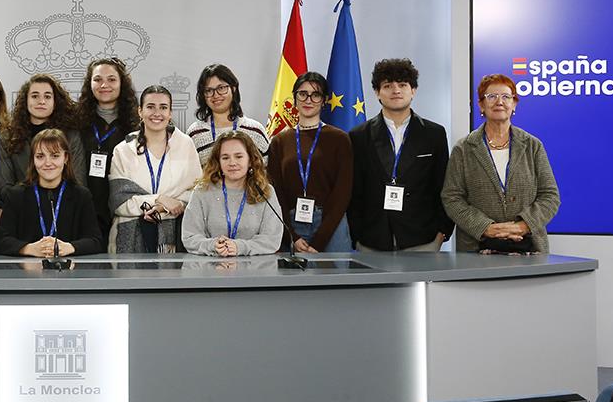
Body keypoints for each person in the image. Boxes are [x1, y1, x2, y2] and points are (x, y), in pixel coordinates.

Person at [442, 74, 560, 254]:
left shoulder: (532, 145)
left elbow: (550, 196)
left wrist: (523, 226)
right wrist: (486, 227)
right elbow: (452, 198)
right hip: (477, 249)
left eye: (506, 96)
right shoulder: (464, 148)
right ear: (481, 105)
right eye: (491, 96)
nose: (499, 102)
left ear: (514, 104)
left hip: (528, 247)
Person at [348, 58, 453, 252]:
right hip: (372, 239)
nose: (396, 90)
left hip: (423, 238)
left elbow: (444, 185)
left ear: (413, 90)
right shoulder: (358, 135)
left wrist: (442, 232)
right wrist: (356, 235)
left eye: (402, 85)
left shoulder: (434, 133)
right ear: (377, 93)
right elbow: (355, 191)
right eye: (388, 85)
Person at [107, 85, 201, 253]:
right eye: (150, 107)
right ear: (140, 111)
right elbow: (119, 201)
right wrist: (160, 199)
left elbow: (196, 192)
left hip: (174, 238)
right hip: (129, 238)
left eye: (163, 107)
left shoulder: (185, 144)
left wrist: (174, 204)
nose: (157, 113)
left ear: (170, 113)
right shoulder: (123, 150)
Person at [267, 71, 353, 253]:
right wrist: (291, 235)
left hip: (331, 223)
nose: (308, 100)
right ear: (294, 98)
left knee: (337, 281)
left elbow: (342, 191)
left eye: (316, 95)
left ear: (324, 101)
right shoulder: (279, 141)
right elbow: (276, 192)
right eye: (303, 94)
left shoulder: (340, 139)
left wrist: (320, 241)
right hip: (290, 223)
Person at [0, 129, 102, 257]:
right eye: (40, 156)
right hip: (26, 273)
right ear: (33, 160)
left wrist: (69, 247)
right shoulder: (16, 195)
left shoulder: (81, 195)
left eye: (55, 156)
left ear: (66, 158)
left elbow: (96, 241)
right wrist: (29, 249)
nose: (48, 163)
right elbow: (0, 241)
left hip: (70, 273)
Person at [181, 132, 284, 256]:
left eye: (239, 156)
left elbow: (272, 239)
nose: (232, 163)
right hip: (210, 269)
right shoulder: (202, 191)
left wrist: (240, 247)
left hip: (256, 269)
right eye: (225, 157)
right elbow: (190, 236)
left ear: (250, 160)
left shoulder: (265, 191)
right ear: (218, 162)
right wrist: (213, 246)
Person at [76, 57, 139, 245]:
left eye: (112, 79)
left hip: (125, 208)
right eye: (97, 79)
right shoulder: (76, 121)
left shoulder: (137, 123)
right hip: (85, 207)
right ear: (89, 84)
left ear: (122, 83)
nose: (104, 85)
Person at [0, 73, 87, 194]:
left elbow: (78, 182)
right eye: (35, 96)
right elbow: (5, 186)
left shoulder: (71, 136)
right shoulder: (8, 137)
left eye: (48, 96)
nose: (41, 101)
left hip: (65, 207)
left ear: (55, 102)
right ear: (25, 100)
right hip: (21, 207)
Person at [186, 64, 271, 166]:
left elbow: (265, 174)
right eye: (208, 90)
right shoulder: (194, 133)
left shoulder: (255, 130)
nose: (216, 95)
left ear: (233, 88)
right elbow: (188, 175)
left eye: (221, 88)